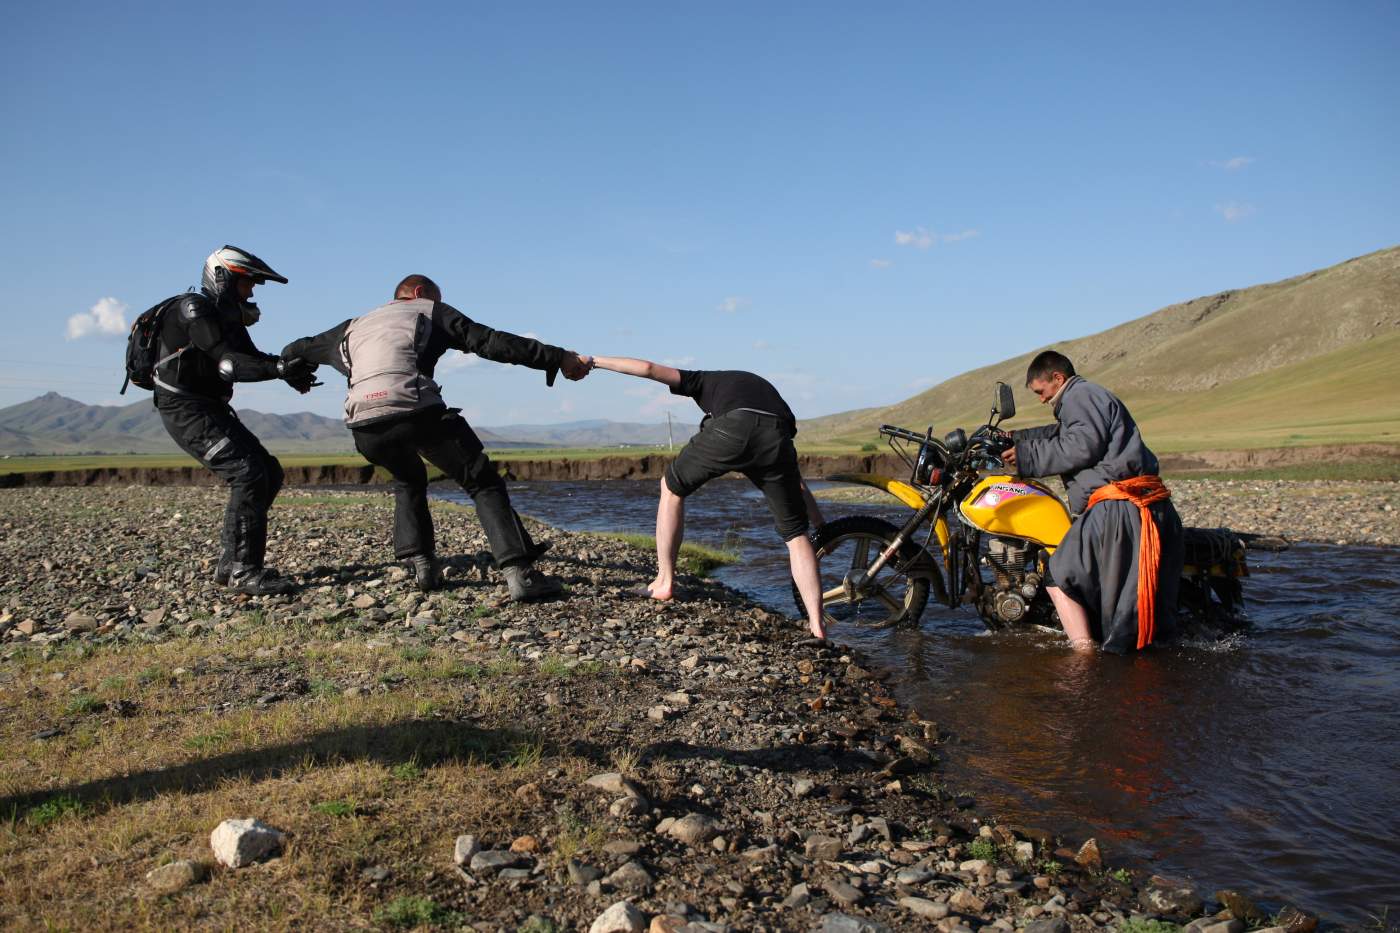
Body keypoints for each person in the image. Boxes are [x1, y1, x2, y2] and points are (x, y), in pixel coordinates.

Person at [280, 274, 590, 600]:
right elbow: (491, 342)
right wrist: (557, 358)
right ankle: (521, 575)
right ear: (419, 293)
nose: (439, 304)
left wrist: (297, 377)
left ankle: (422, 565)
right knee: (481, 481)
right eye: (436, 298)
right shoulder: (430, 311)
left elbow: (294, 350)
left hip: (364, 426)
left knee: (408, 477)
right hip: (416, 411)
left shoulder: (351, 326)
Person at [586, 357, 829, 639]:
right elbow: (796, 482)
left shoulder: (702, 380)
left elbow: (650, 370)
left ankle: (664, 582)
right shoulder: (759, 390)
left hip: (733, 427)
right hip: (778, 436)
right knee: (796, 535)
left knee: (671, 487)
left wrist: (595, 361)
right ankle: (817, 625)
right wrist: (821, 524)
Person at [151, 245, 319, 596]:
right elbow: (229, 363)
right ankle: (245, 572)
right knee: (249, 472)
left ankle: (230, 564)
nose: (252, 291)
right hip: (185, 409)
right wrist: (278, 369)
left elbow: (252, 358)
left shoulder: (224, 317)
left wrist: (288, 371)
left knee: (268, 471)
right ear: (223, 277)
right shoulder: (194, 308)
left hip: (208, 407)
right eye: (247, 283)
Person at [1002, 350, 1183, 653]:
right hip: (1133, 504)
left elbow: (1080, 445)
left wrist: (1025, 457)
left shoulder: (1080, 395)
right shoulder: (1085, 397)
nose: (1042, 400)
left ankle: (1084, 655)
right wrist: (1015, 438)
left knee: (1058, 574)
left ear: (1057, 378)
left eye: (1041, 392)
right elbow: (1063, 433)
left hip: (1118, 508)